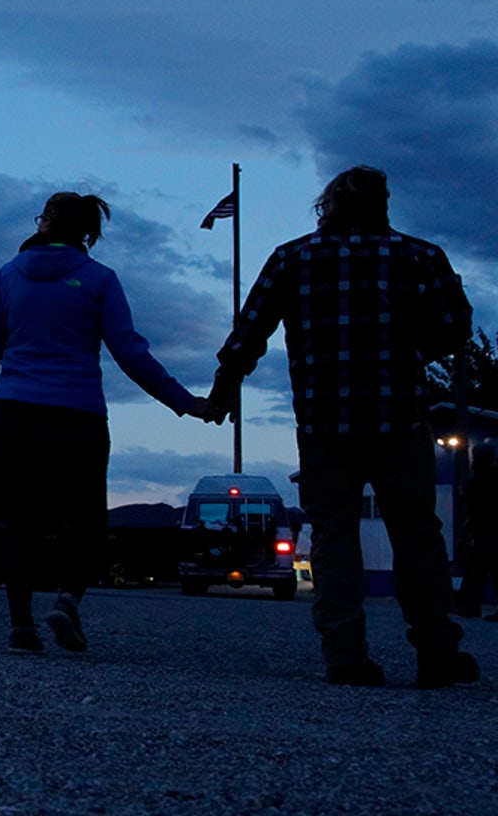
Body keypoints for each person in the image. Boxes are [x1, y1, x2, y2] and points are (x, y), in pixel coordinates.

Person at [205, 166, 479, 688]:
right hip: (399, 417)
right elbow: (457, 325)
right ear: (384, 203)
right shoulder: (422, 256)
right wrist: (411, 349)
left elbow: (249, 331)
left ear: (327, 205)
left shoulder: (292, 257)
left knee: (334, 535)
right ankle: (436, 651)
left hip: (324, 421)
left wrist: (224, 389)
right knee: (417, 533)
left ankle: (346, 655)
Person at [0, 192, 213, 655]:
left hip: (14, 411)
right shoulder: (100, 279)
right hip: (77, 414)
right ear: (88, 234)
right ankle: (67, 599)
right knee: (85, 521)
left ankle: (22, 627)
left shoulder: (6, 277)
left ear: (44, 223)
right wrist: (186, 403)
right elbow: (132, 354)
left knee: (18, 522)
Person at [453, 442, 498, 621]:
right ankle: (469, 605)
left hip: (485, 531)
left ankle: (470, 606)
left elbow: (475, 505)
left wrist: (466, 530)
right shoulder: (489, 475)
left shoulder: (479, 478)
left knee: (477, 570)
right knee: (480, 570)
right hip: (487, 530)